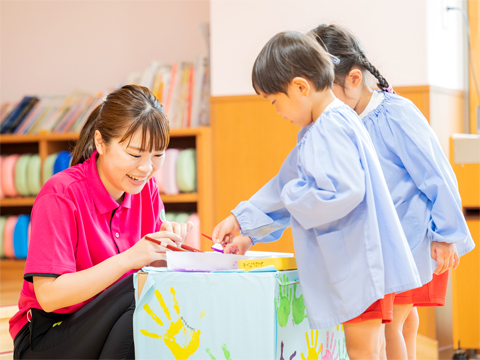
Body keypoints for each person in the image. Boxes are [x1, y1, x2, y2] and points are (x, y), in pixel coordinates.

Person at [212, 31, 421, 360]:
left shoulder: (331, 127)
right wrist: (243, 222)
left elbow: (342, 190)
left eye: (274, 101)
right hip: (363, 264)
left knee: (363, 350)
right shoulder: (322, 126)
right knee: (371, 348)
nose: (277, 111)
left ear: (300, 87)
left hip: (361, 265)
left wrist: (295, 196)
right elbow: (284, 185)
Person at [309, 24, 475, 360]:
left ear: (354, 79)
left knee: (389, 325)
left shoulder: (394, 114)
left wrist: (447, 235)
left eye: (326, 90)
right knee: (403, 319)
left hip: (410, 239)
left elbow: (437, 175)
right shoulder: (344, 122)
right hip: (386, 241)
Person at [9, 84, 191, 359]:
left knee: (154, 296)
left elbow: (149, 272)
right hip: (47, 337)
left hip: (105, 327)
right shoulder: (61, 194)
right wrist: (130, 259)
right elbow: (49, 296)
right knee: (140, 297)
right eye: (135, 154)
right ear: (100, 142)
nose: (146, 168)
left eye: (158, 154)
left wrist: (165, 252)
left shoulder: (146, 191)